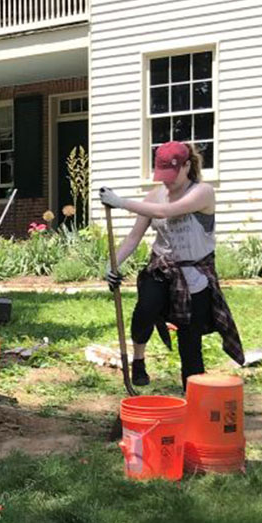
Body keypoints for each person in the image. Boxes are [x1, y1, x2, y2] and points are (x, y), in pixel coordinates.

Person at [100, 141, 244, 390]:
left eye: (171, 175)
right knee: (146, 309)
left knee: (190, 342)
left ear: (187, 165)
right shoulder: (154, 194)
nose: (166, 181)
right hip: (161, 268)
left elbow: (165, 212)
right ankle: (139, 360)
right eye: (162, 175)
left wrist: (121, 202)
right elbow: (134, 237)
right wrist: (111, 264)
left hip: (195, 277)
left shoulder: (202, 192)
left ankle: (194, 397)